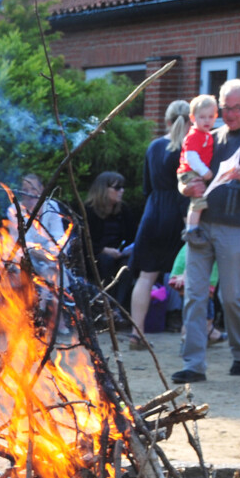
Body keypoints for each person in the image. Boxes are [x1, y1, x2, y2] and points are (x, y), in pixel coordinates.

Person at [171, 79, 240, 383]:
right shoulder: (210, 136)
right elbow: (185, 170)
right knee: (194, 294)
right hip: (202, 225)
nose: (228, 114)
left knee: (232, 297)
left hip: (236, 228)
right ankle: (193, 364)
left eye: (235, 108)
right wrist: (185, 187)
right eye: (224, 108)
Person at [128, 101, 192, 347]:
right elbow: (186, 189)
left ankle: (137, 334)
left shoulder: (154, 147)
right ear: (191, 122)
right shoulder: (188, 150)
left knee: (146, 276)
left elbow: (146, 187)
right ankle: (189, 334)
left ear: (167, 121)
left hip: (153, 213)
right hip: (178, 215)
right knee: (190, 276)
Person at [82, 170, 140, 299]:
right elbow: (82, 241)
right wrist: (103, 250)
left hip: (119, 253)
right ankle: (106, 301)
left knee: (129, 263)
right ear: (103, 189)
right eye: (117, 188)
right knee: (106, 261)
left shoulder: (123, 210)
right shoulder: (88, 211)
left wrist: (127, 249)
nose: (122, 191)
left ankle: (118, 303)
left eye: (122, 187)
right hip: (95, 256)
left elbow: (133, 235)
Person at [178, 94, 218, 247]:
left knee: (199, 200)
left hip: (194, 171)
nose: (207, 120)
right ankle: (191, 231)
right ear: (192, 118)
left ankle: (194, 227)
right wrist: (204, 172)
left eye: (210, 117)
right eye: (202, 117)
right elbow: (191, 157)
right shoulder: (194, 135)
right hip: (190, 172)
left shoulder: (206, 135)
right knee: (198, 200)